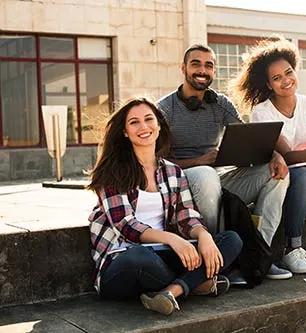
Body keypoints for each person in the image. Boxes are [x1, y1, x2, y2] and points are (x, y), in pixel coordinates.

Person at [87, 97, 243, 316]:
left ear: (158, 125)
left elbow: (186, 216)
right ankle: (196, 284)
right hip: (123, 261)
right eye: (134, 122)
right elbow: (127, 226)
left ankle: (171, 291)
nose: (143, 127)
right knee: (140, 257)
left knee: (231, 240)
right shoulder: (112, 172)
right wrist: (173, 239)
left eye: (149, 119)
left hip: (163, 254)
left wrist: (203, 236)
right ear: (124, 132)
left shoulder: (173, 171)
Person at [157, 44, 292, 280]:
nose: (202, 70)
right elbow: (158, 164)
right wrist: (199, 161)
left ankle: (258, 257)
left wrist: (275, 155)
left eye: (209, 65)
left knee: (278, 173)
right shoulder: (165, 108)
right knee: (205, 175)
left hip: (217, 179)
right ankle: (220, 260)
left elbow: (249, 136)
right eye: (196, 64)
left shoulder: (221, 104)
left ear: (214, 71)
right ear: (183, 68)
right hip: (183, 185)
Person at [231, 37, 306, 275]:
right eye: (277, 78)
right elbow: (288, 156)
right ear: (268, 84)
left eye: (288, 72)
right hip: (287, 171)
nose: (286, 80)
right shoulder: (262, 112)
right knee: (304, 174)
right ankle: (292, 248)